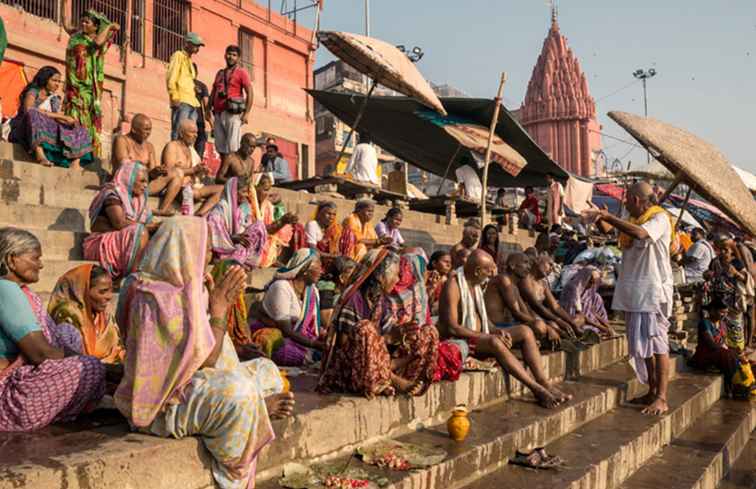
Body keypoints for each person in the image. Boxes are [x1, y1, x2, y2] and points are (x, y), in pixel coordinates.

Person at [115, 217, 295, 489]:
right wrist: (219, 308)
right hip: (164, 403)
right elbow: (207, 358)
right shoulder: (155, 297)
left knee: (266, 370)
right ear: (186, 249)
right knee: (240, 394)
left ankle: (253, 408)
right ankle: (237, 471)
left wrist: (209, 300)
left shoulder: (190, 288)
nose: (211, 256)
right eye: (206, 248)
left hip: (195, 379)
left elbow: (212, 357)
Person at [582, 181, 674, 415]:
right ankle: (652, 391)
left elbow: (641, 234)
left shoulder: (659, 218)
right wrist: (600, 218)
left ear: (635, 200)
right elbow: (613, 231)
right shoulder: (631, 219)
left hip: (653, 293)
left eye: (626, 201)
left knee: (658, 345)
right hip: (635, 294)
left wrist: (609, 217)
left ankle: (662, 397)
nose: (624, 205)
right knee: (644, 347)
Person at [0, 227, 105, 431]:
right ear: (12, 260)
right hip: (6, 396)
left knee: (68, 333)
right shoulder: (6, 289)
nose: (40, 265)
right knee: (89, 367)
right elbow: (40, 353)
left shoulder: (21, 291)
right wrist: (101, 368)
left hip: (18, 374)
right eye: (35, 258)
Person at [437, 250, 568, 408]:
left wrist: (496, 330)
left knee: (525, 332)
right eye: (488, 270)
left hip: (480, 336)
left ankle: (544, 382)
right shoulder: (454, 285)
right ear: (477, 271)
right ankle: (537, 389)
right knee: (494, 341)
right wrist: (487, 336)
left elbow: (483, 319)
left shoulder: (476, 283)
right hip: (460, 342)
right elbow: (452, 327)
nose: (491, 274)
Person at [318, 248, 439, 397]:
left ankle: (404, 379)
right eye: (395, 275)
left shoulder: (380, 301)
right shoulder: (354, 299)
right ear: (381, 276)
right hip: (352, 369)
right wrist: (387, 338)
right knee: (365, 328)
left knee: (428, 332)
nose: (396, 280)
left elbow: (386, 343)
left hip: (380, 363)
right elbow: (345, 346)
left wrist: (402, 336)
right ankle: (390, 381)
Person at [249, 249, 325, 366]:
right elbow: (286, 330)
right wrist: (315, 345)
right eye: (318, 267)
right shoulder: (281, 287)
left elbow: (311, 324)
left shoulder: (312, 291)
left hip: (299, 335)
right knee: (286, 351)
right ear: (305, 269)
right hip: (280, 333)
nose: (322, 271)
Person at [83, 161, 158, 279]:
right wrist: (149, 227)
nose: (145, 186)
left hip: (121, 242)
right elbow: (119, 223)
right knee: (140, 231)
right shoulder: (112, 193)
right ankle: (131, 279)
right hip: (101, 245)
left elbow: (149, 223)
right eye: (142, 181)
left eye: (147, 182)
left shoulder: (140, 201)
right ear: (129, 178)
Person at [9, 66, 93, 169]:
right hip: (24, 129)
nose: (57, 84)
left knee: (78, 127)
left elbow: (55, 118)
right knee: (34, 114)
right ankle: (40, 155)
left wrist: (69, 121)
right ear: (45, 79)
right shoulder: (33, 91)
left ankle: (75, 162)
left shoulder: (54, 99)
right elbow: (29, 110)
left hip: (46, 127)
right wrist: (59, 116)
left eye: (59, 81)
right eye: (54, 80)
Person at [62, 8, 119, 157]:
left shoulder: (97, 43)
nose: (82, 23)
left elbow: (99, 41)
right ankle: (71, 151)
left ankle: (83, 154)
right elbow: (66, 24)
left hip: (87, 90)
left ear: (96, 27)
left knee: (84, 120)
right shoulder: (77, 36)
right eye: (82, 20)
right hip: (72, 86)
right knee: (71, 117)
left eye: (87, 22)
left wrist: (109, 27)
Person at [48, 264, 123, 364]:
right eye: (102, 292)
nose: (109, 296)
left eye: (111, 290)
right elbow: (72, 360)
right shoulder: (67, 314)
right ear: (83, 291)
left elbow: (119, 350)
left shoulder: (104, 317)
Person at [112, 114, 183, 217]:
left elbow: (151, 172)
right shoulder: (122, 140)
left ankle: (162, 209)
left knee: (177, 173)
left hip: (144, 184)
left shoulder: (149, 146)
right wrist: (146, 171)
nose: (148, 133)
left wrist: (156, 171)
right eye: (145, 129)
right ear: (134, 130)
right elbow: (124, 166)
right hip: (126, 183)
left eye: (150, 129)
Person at [689, 296, 754, 398]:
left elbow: (724, 343)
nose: (724, 315)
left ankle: (745, 386)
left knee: (744, 358)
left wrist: (737, 351)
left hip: (719, 355)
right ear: (712, 311)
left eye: (726, 312)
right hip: (705, 356)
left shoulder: (722, 324)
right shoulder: (705, 323)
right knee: (729, 355)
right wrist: (730, 351)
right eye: (722, 312)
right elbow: (711, 344)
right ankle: (732, 387)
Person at [485, 253, 559, 342]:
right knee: (539, 326)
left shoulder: (514, 286)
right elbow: (516, 313)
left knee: (548, 325)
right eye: (525, 263)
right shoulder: (503, 280)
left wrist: (550, 327)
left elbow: (524, 312)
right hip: (496, 327)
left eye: (529, 264)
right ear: (512, 265)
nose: (528, 267)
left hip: (507, 325)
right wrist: (547, 327)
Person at [161, 119, 224, 217]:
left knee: (222, 189)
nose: (196, 135)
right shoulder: (172, 146)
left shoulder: (191, 150)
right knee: (189, 192)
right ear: (181, 134)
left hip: (194, 187)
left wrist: (202, 171)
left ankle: (200, 213)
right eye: (192, 132)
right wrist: (193, 170)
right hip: (178, 190)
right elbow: (169, 173)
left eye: (197, 133)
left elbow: (197, 173)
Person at [703, 237, 753, 352]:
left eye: (725, 249)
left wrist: (736, 273)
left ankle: (737, 356)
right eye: (720, 249)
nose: (722, 252)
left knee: (735, 331)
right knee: (720, 331)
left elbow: (746, 279)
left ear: (731, 250)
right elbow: (707, 274)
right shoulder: (715, 261)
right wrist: (707, 275)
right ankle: (723, 356)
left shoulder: (736, 262)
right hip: (718, 303)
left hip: (733, 303)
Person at [207, 176, 268, 269]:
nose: (247, 195)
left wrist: (243, 236)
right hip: (223, 249)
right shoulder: (221, 208)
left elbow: (243, 229)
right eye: (243, 192)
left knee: (259, 226)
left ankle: (240, 259)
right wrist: (232, 238)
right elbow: (214, 234)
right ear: (234, 192)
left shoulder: (240, 210)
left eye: (247, 192)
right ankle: (234, 260)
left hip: (235, 246)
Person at [518, 255, 582, 337]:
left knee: (577, 320)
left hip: (542, 318)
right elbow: (535, 305)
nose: (551, 269)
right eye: (550, 264)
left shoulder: (543, 284)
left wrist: (572, 324)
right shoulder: (525, 280)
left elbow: (555, 307)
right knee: (553, 325)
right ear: (537, 261)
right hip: (528, 319)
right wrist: (558, 320)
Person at [209, 45, 253, 165]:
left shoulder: (241, 72)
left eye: (234, 55)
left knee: (233, 146)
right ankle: (225, 170)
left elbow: (250, 92)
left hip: (233, 114)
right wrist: (208, 109)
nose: (231, 57)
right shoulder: (220, 73)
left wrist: (247, 113)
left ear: (238, 58)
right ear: (225, 55)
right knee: (220, 146)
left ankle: (234, 173)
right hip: (218, 113)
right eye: (229, 54)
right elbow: (213, 91)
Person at [250, 174, 299, 267]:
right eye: (265, 190)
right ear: (254, 188)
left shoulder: (267, 206)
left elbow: (269, 229)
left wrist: (285, 221)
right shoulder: (247, 205)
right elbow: (259, 230)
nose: (267, 194)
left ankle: (271, 259)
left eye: (268, 190)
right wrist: (282, 221)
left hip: (264, 241)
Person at [559, 265, 615, 338]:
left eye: (593, 283)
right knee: (578, 325)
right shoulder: (572, 289)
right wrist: (601, 327)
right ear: (585, 278)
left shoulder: (589, 291)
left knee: (598, 297)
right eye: (590, 282)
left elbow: (593, 312)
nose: (591, 285)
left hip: (587, 320)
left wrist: (608, 326)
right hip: (571, 319)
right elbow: (580, 315)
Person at [167, 33, 204, 140]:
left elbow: (186, 80)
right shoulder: (178, 55)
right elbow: (171, 77)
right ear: (187, 43)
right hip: (181, 101)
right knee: (178, 132)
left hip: (193, 103)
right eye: (195, 45)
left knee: (189, 136)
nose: (197, 48)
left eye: (198, 46)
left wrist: (194, 88)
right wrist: (174, 96)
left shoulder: (189, 61)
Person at [193, 62, 211, 160]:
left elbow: (206, 106)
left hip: (192, 122)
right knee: (199, 148)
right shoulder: (202, 86)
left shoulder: (182, 84)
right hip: (197, 122)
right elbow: (207, 107)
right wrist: (212, 125)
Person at [427, 250, 452, 316]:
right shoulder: (427, 276)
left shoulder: (446, 278)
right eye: (445, 262)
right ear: (434, 263)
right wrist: (433, 286)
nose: (449, 265)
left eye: (450, 263)